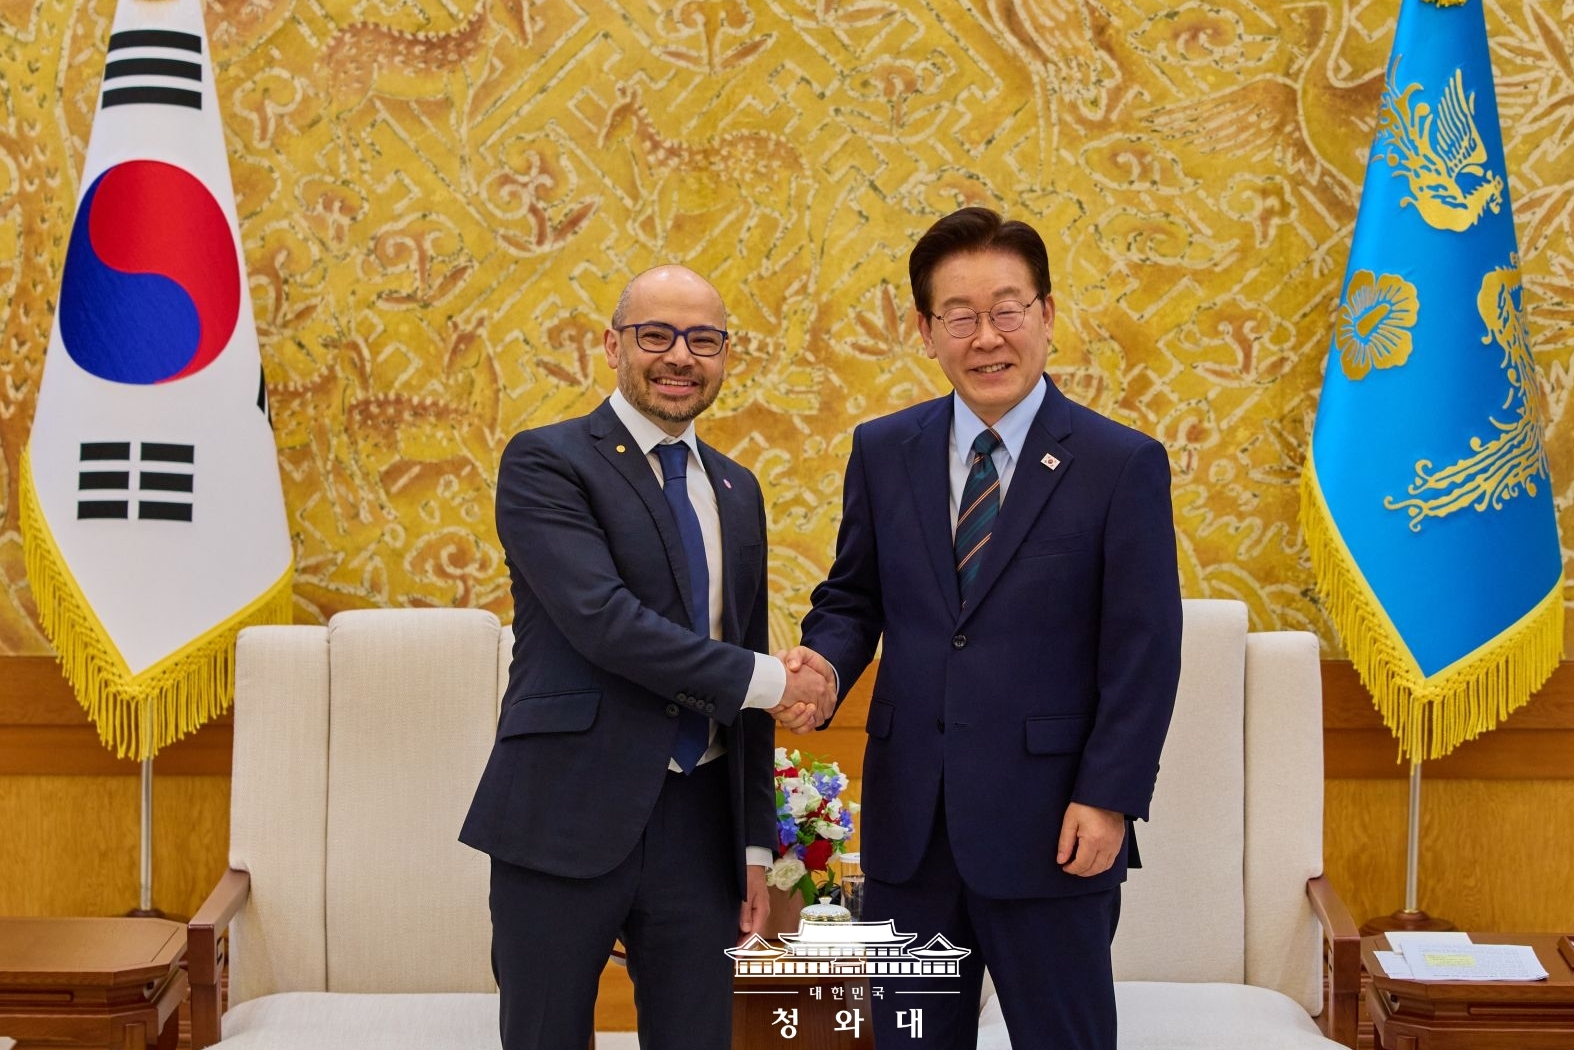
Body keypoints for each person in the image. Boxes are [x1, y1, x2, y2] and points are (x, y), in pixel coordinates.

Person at [786, 207, 1182, 1050]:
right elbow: (855, 598)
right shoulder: (884, 449)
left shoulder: (1121, 464)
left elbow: (1145, 649)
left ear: (1046, 315)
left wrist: (1109, 797)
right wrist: (822, 665)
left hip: (1055, 826)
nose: (987, 336)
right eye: (959, 316)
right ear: (926, 331)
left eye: (1008, 309)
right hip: (912, 826)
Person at [460, 264, 835, 1050]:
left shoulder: (738, 489)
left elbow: (739, 651)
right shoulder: (547, 462)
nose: (680, 357)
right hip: (564, 810)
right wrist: (777, 682)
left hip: (700, 827)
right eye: (655, 335)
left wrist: (756, 848)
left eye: (704, 339)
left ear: (725, 355)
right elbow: (606, 623)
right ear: (612, 345)